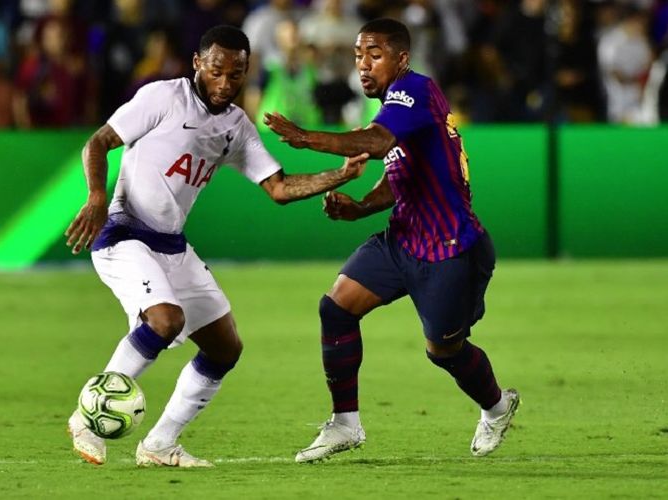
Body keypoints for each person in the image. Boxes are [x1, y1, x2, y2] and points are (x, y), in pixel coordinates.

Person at [64, 25, 369, 468]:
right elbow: (99, 143)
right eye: (216, 71)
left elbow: (279, 188)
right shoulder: (163, 98)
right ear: (197, 64)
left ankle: (160, 444)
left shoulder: (235, 126)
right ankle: (87, 418)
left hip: (171, 245)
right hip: (124, 234)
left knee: (225, 348)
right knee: (166, 320)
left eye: (237, 74)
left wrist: (338, 175)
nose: (225, 83)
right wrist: (95, 196)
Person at [264, 18, 519, 463]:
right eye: (359, 55)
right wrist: (360, 208)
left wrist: (307, 138)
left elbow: (379, 144)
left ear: (401, 59)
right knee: (336, 308)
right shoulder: (393, 106)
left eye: (375, 55)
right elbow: (397, 175)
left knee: (443, 350)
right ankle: (345, 424)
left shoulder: (414, 90)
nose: (363, 64)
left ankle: (497, 406)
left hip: (450, 249)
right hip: (402, 240)